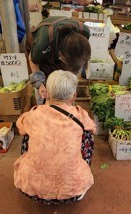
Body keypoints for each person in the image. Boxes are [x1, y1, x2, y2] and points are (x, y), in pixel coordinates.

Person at [14, 70, 96, 205]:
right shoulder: (80, 114)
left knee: (28, 133)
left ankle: (34, 175)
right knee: (86, 134)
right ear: (73, 97)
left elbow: (20, 125)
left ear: (46, 93)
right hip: (72, 192)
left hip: (32, 190)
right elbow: (93, 127)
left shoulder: (34, 114)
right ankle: (76, 178)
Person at [28, 17, 92, 101]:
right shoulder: (43, 45)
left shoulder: (85, 31)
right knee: (44, 90)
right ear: (61, 56)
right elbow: (33, 60)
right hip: (43, 54)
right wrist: (40, 85)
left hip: (62, 48)